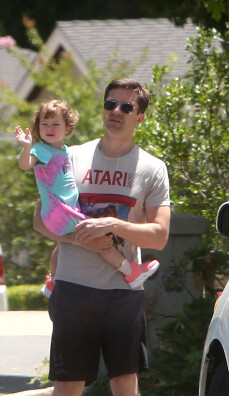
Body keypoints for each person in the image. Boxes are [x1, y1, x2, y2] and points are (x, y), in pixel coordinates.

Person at [33, 79, 171, 396]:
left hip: (123, 292)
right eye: (111, 103)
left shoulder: (151, 168)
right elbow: (41, 220)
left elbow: (161, 234)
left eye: (126, 107)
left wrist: (114, 227)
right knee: (67, 387)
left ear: (139, 117)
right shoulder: (69, 157)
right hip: (74, 287)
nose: (116, 111)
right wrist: (79, 238)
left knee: (126, 387)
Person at [16, 99, 159, 298]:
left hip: (62, 211)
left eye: (55, 124)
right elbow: (26, 164)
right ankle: (131, 272)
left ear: (67, 128)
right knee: (102, 239)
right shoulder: (40, 150)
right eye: (44, 124)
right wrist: (25, 147)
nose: (49, 128)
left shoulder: (65, 151)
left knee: (61, 246)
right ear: (37, 128)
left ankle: (53, 283)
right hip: (61, 211)